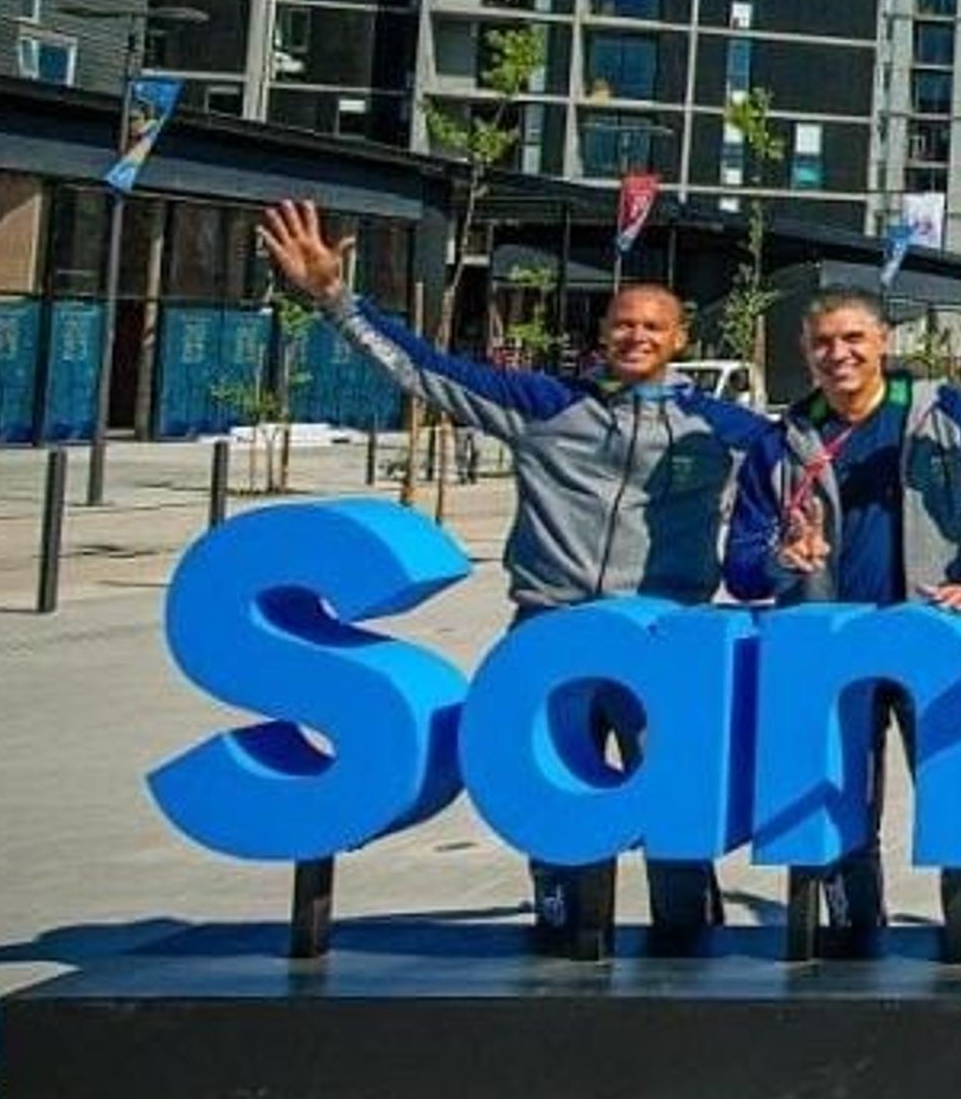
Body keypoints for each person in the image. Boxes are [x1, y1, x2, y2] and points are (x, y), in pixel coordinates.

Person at [256, 198, 777, 956]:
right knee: (554, 796)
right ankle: (566, 928)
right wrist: (335, 300)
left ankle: (687, 934)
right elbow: (425, 372)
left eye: (653, 327)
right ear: (604, 333)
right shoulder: (544, 406)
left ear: (679, 341)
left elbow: (815, 453)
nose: (636, 336)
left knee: (676, 800)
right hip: (550, 634)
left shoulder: (721, 429)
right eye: (624, 324)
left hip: (664, 639)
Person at [725, 290, 961, 954]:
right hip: (830, 656)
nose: (840, 354)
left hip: (932, 646)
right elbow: (741, 569)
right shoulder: (780, 443)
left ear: (884, 341)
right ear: (806, 352)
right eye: (824, 342)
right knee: (838, 814)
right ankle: (857, 938)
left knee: (959, 804)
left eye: (854, 337)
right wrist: (784, 559)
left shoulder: (943, 414)